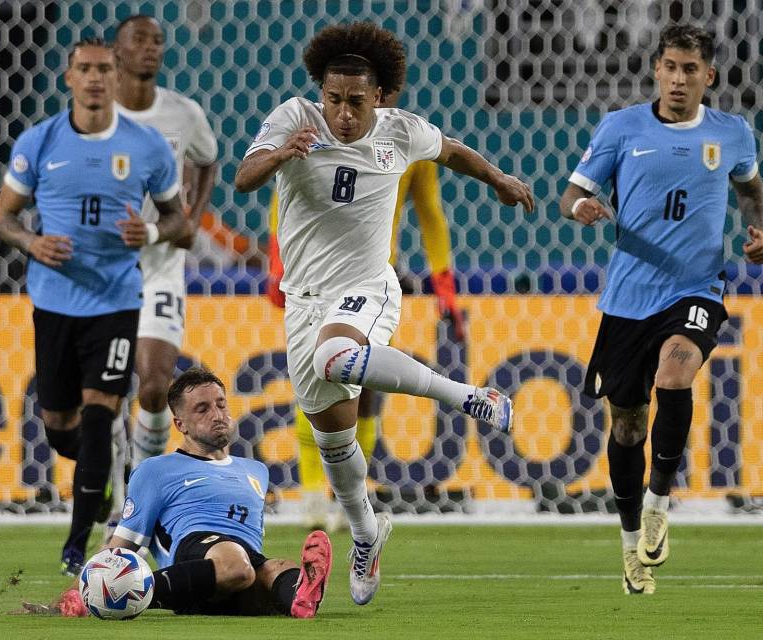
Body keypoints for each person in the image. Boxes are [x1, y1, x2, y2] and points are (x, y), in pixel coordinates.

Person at [234, 22, 534, 605]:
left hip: (368, 285)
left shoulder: (402, 133)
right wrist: (279, 154)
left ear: (382, 97)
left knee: (336, 356)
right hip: (305, 298)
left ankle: (465, 396)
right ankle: (369, 532)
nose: (342, 113)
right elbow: (243, 179)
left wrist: (498, 179)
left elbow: (452, 152)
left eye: (356, 101)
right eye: (334, 99)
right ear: (321, 92)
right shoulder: (293, 118)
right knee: (334, 436)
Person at [559, 24, 763, 595]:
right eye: (670, 67)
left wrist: (761, 229)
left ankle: (658, 501)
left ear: (709, 76)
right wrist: (582, 209)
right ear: (656, 69)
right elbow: (571, 193)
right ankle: (630, 543)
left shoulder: (733, 134)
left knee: (677, 371)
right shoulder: (622, 128)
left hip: (695, 286)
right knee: (626, 426)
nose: (679, 79)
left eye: (690, 70)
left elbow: (752, 194)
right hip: (628, 298)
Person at [0, 38, 192, 576]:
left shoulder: (147, 145)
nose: (96, 78)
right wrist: (32, 243)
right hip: (55, 301)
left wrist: (149, 229)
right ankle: (99, 477)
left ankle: (78, 545)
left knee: (102, 413)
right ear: (69, 77)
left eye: (105, 68)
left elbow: (181, 222)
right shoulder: (39, 141)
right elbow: (2, 218)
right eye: (85, 69)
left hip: (117, 299)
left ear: (117, 74)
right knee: (60, 425)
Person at [266, 87, 466, 531]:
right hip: (312, 274)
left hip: (371, 277)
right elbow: (282, 197)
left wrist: (444, 286)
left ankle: (347, 497)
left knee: (363, 382)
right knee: (314, 377)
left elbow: (430, 213)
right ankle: (313, 492)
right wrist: (276, 263)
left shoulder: (406, 139)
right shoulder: (316, 131)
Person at [22, 368, 333, 619]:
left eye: (221, 404)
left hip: (241, 571)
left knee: (278, 570)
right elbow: (121, 545)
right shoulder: (157, 470)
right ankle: (129, 592)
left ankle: (300, 598)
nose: (217, 414)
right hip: (195, 553)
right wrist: (75, 594)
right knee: (236, 563)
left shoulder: (255, 471)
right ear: (180, 423)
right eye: (202, 408)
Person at [111, 15, 219, 468]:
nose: (151, 48)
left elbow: (208, 159)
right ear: (117, 52)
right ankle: (111, 477)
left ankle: (142, 485)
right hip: (106, 266)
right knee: (107, 388)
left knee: (154, 385)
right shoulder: (95, 117)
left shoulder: (183, 112)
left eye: (157, 40)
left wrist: (190, 217)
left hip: (160, 263)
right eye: (139, 39)